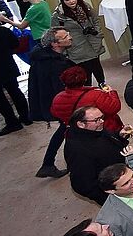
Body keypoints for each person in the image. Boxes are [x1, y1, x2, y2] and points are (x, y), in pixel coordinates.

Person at [65, 105, 133, 205]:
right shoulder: (78, 150)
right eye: (97, 120)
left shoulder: (94, 130)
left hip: (124, 179)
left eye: (102, 117)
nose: (102, 122)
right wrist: (110, 196)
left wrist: (119, 136)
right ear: (81, 124)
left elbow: (106, 141)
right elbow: (82, 185)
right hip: (117, 193)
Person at [30, 27, 75, 178]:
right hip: (59, 103)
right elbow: (61, 89)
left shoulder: (43, 56)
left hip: (51, 101)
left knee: (65, 129)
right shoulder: (55, 64)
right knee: (68, 128)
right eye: (66, 36)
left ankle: (48, 163)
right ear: (55, 44)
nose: (70, 37)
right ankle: (50, 163)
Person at [52, 0, 108, 86]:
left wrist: (98, 34)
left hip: (92, 42)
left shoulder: (86, 7)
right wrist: (64, 51)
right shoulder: (58, 16)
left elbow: (95, 20)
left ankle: (102, 85)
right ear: (63, 1)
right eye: (67, 0)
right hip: (75, 47)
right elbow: (56, 33)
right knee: (84, 72)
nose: (71, 1)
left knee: (96, 66)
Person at [51, 66, 125, 135]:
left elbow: (55, 114)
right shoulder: (96, 94)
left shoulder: (57, 98)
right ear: (85, 79)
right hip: (102, 130)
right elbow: (114, 108)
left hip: (78, 133)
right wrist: (111, 92)